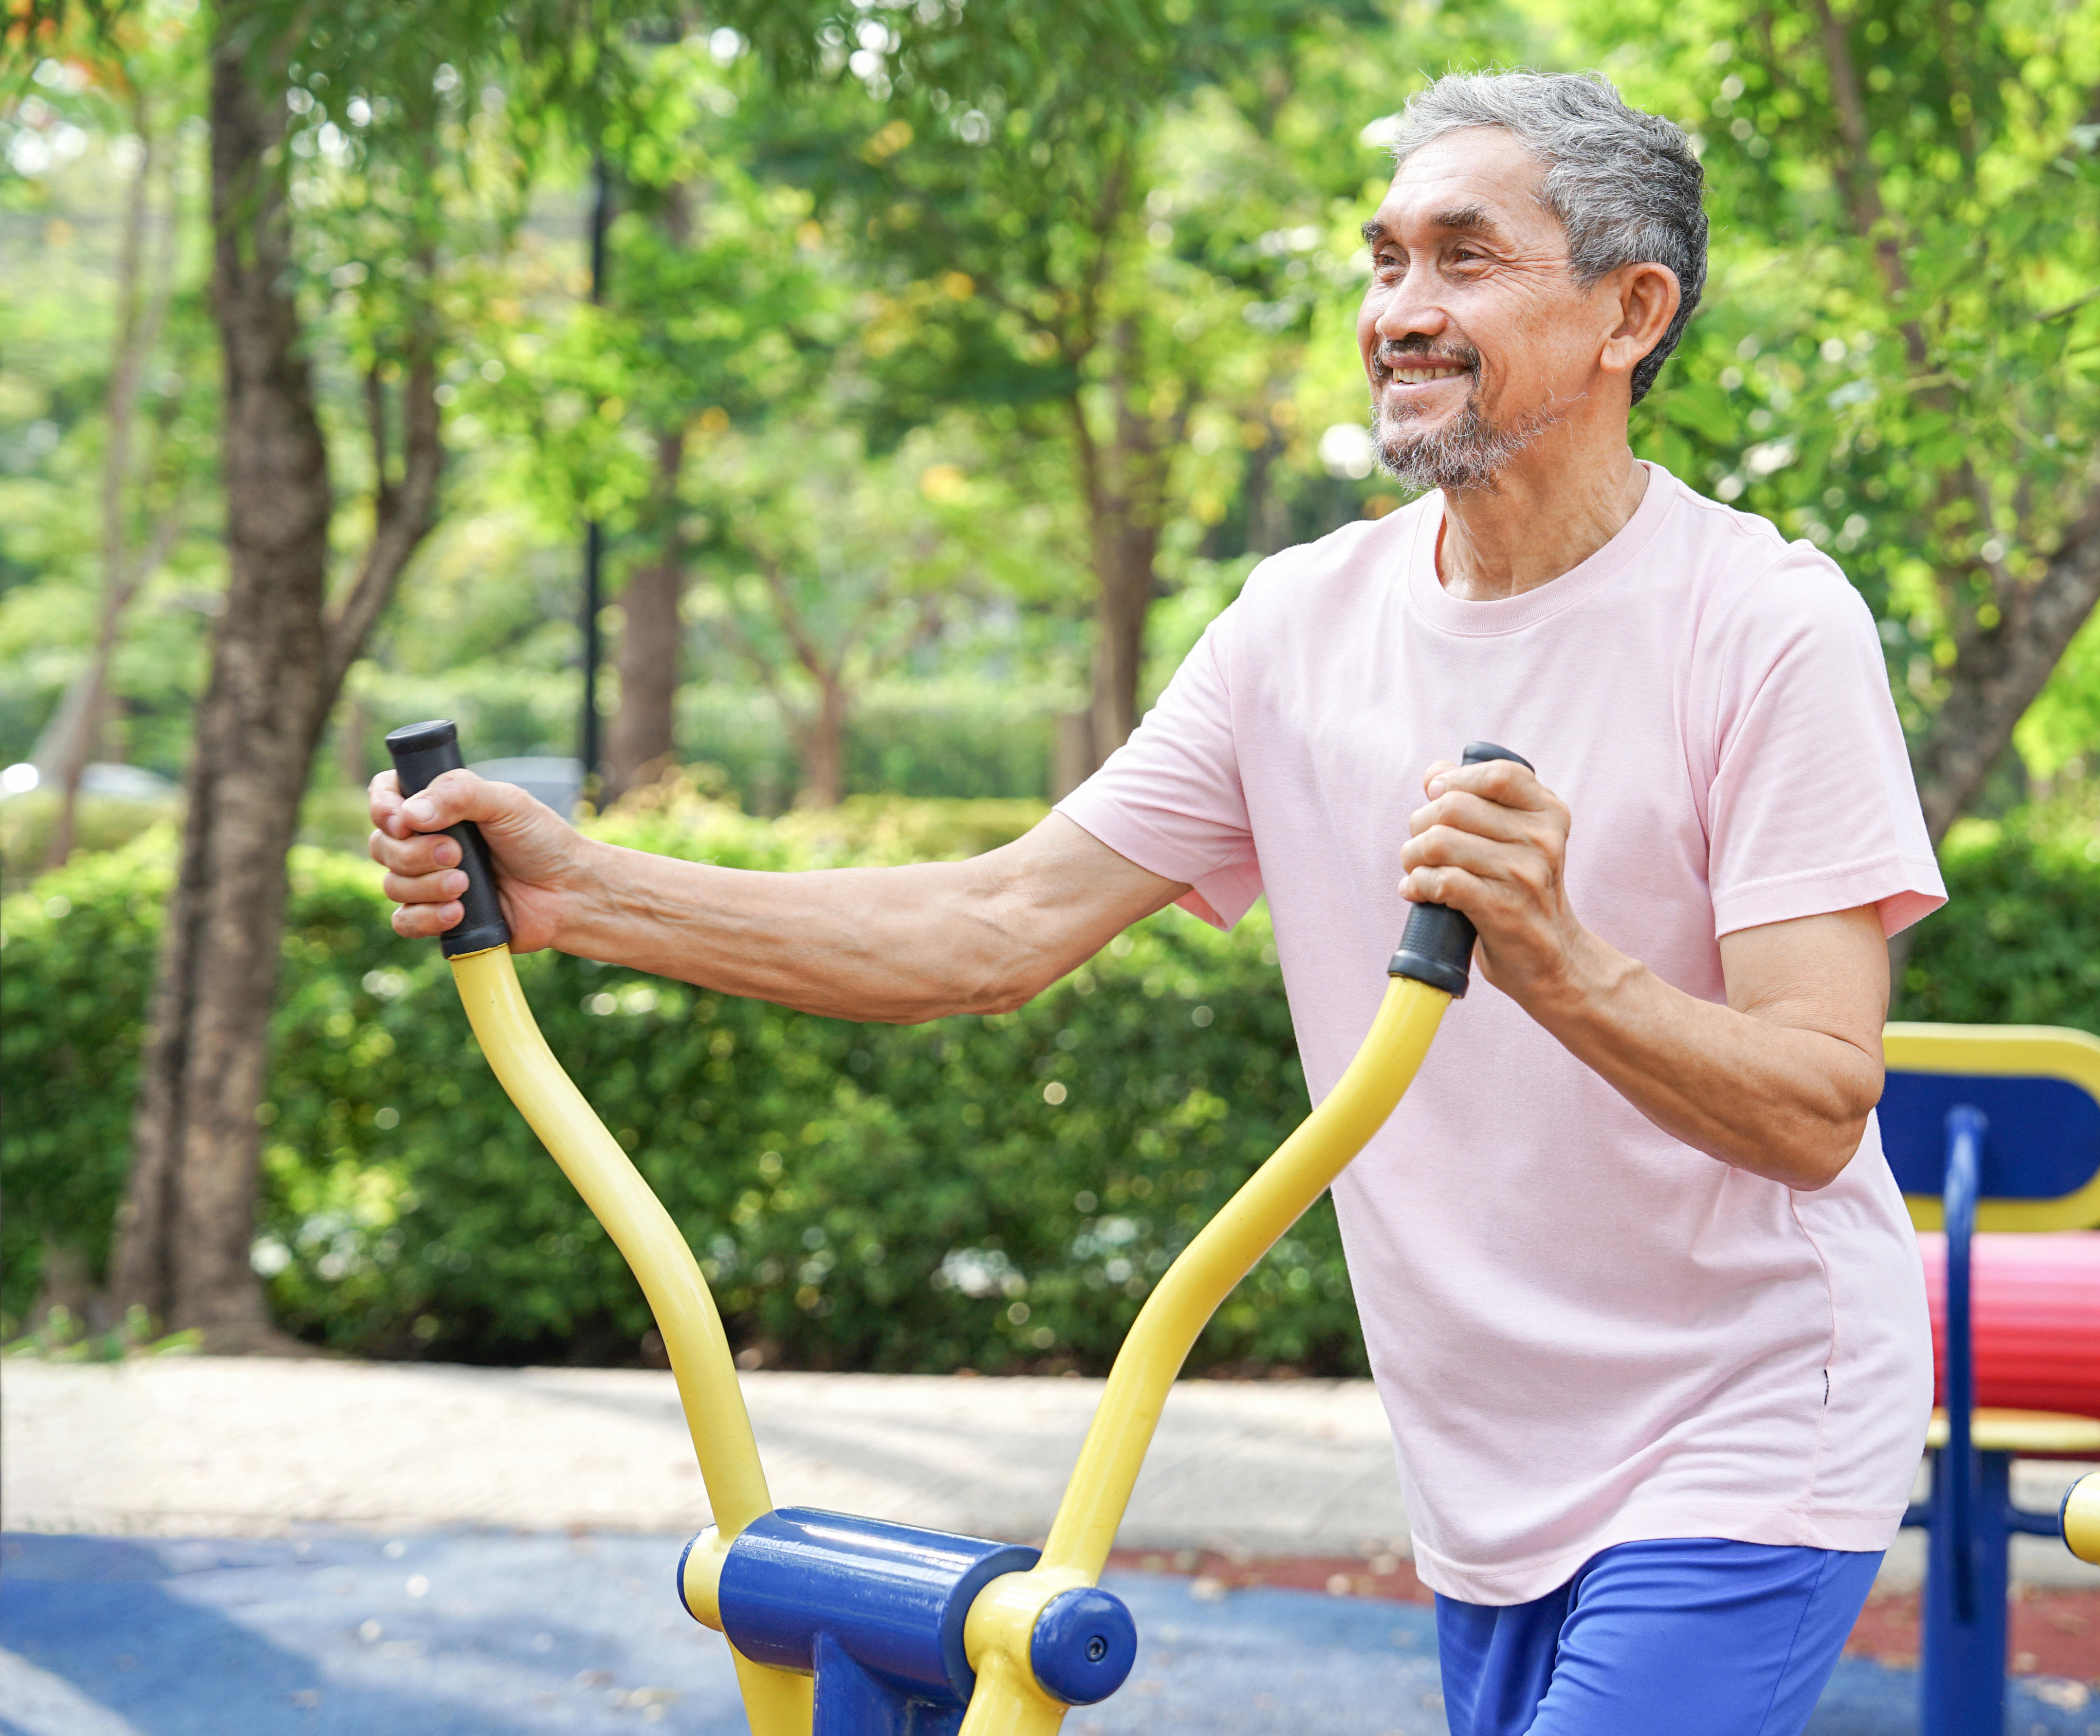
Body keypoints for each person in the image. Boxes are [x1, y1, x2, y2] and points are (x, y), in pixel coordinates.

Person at [371, 70, 1940, 1736]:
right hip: (1485, 1454)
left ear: (1633, 312)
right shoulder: (1297, 627)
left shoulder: (1763, 624)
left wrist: (1555, 958)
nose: (1401, 310)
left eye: (1463, 260)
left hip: (1749, 1418)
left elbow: (1815, 1103)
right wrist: (583, 890)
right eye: (1386, 260)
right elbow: (992, 931)